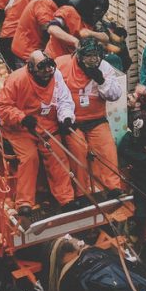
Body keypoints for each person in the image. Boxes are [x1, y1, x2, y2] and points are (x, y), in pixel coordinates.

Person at [0, 51, 76, 216]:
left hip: (47, 126)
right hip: (19, 130)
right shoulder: (16, 79)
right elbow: (2, 106)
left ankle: (66, 198)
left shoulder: (55, 76)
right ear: (31, 68)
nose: (47, 72)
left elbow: (64, 100)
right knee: (29, 157)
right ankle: (24, 202)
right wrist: (21, 118)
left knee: (58, 155)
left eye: (49, 67)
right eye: (42, 68)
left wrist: (66, 117)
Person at [55, 37, 123, 196]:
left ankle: (113, 187)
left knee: (107, 149)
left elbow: (115, 95)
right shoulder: (63, 65)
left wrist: (101, 80)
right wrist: (64, 118)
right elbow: (56, 94)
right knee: (78, 151)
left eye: (95, 56)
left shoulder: (105, 68)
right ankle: (82, 191)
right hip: (73, 121)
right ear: (79, 55)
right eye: (88, 56)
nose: (93, 59)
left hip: (96, 119)